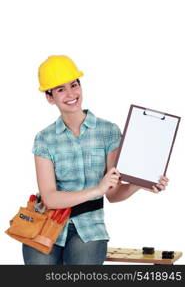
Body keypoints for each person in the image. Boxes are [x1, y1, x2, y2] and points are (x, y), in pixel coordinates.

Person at [22, 55, 169, 265]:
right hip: (45, 223)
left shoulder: (108, 132)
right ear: (50, 97)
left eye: (74, 85)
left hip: (89, 228)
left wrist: (140, 183)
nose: (71, 94)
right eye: (60, 89)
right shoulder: (44, 139)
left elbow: (113, 194)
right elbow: (51, 199)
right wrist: (96, 190)